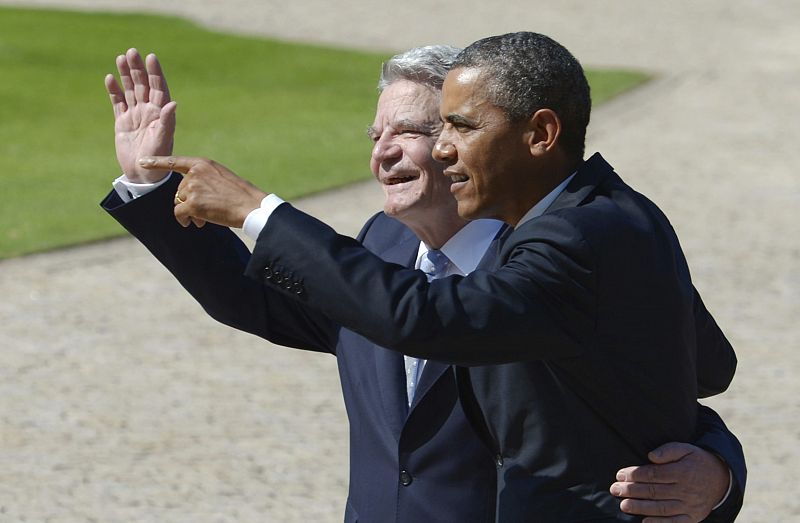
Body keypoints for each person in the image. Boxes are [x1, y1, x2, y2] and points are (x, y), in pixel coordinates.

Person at [106, 40, 743, 522]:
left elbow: (689, 370)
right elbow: (261, 298)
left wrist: (716, 470)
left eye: (416, 130)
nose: (386, 151)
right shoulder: (380, 244)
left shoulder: (566, 247)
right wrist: (153, 186)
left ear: (528, 135)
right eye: (374, 134)